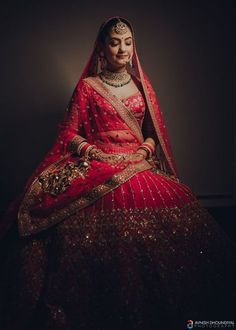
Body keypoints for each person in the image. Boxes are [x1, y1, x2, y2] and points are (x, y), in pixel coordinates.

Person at [0, 16, 235, 330]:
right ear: (102, 47)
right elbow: (69, 134)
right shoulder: (88, 87)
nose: (122, 48)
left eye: (127, 42)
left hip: (137, 165)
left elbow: (152, 134)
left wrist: (143, 151)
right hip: (97, 164)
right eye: (114, 41)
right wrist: (93, 152)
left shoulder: (142, 88)